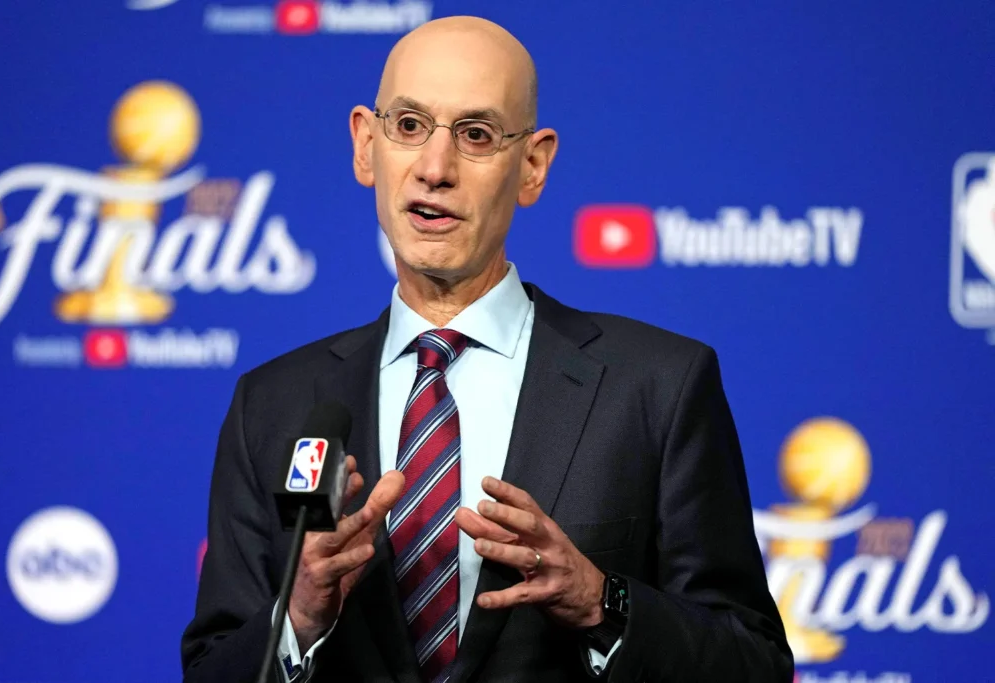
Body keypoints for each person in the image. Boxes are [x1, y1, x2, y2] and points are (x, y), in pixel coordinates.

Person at [181, 15, 793, 683]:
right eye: (409, 126)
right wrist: (297, 619)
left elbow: (754, 662)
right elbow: (212, 669)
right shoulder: (272, 405)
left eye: (475, 134)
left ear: (532, 165)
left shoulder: (657, 387)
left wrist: (600, 601)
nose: (434, 169)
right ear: (365, 145)